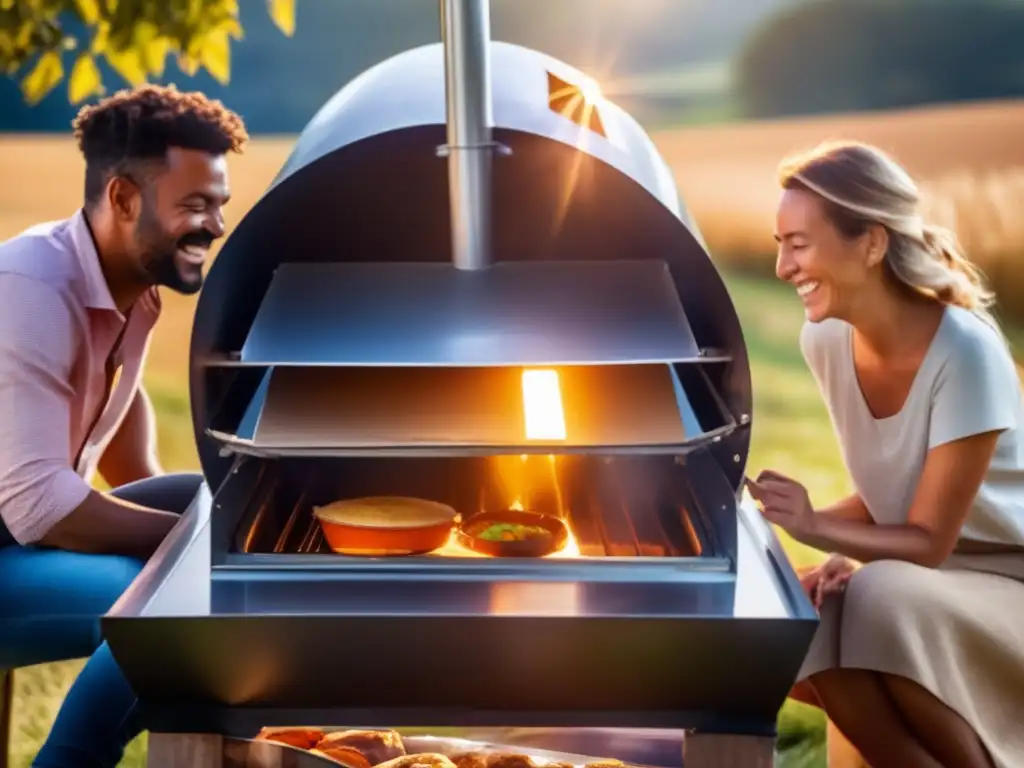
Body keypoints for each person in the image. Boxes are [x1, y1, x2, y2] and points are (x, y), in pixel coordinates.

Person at [745, 140, 1024, 768]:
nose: (785, 267)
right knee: (793, 609)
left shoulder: (965, 353)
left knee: (880, 595)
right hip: (925, 580)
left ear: (871, 242)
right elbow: (889, 489)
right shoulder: (824, 339)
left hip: (1006, 581)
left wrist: (817, 526)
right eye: (779, 243)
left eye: (799, 243)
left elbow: (929, 540)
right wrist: (828, 553)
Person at [0, 84, 247, 767]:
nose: (216, 225)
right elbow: (41, 508)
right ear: (123, 199)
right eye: (195, 205)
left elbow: (122, 420)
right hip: (11, 540)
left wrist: (203, 530)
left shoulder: (130, 289)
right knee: (176, 613)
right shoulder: (32, 288)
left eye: (219, 204)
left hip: (16, 534)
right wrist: (192, 547)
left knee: (205, 507)